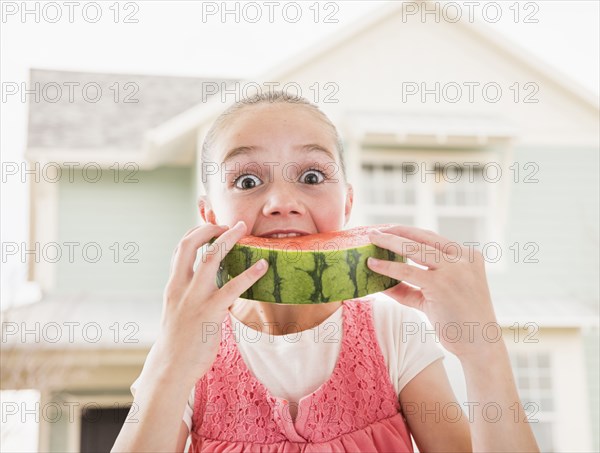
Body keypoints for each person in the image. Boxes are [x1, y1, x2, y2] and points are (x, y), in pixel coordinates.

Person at [112, 91, 539, 452]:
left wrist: (483, 349)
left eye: (312, 175)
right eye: (246, 181)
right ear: (209, 214)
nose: (282, 201)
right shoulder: (188, 346)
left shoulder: (393, 333)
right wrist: (171, 365)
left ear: (348, 205)